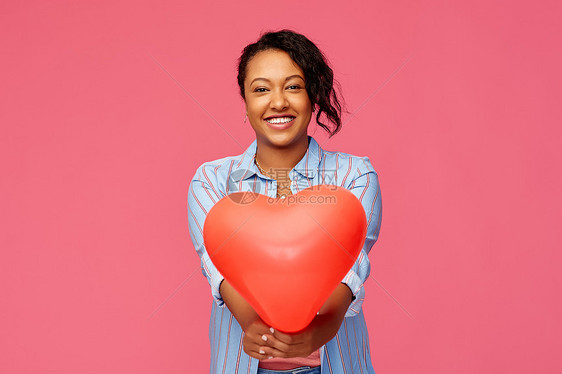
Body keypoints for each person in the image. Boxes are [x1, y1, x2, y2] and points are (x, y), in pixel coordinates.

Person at [188, 29, 382, 374]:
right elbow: (217, 267)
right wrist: (252, 326)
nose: (278, 102)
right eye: (261, 89)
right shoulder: (211, 180)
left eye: (293, 86)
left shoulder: (355, 174)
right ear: (245, 102)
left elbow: (352, 263)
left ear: (313, 96)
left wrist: (321, 329)